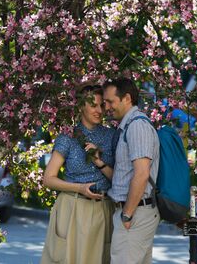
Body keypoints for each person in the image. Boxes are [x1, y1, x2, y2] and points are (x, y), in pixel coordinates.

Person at [40, 84, 115, 264]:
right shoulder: (68, 137)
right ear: (81, 106)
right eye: (93, 105)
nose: (99, 110)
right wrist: (80, 188)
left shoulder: (112, 136)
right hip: (72, 207)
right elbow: (48, 179)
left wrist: (100, 162)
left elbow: (118, 179)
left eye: (102, 105)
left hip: (103, 208)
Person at [103, 78, 160, 264]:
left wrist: (127, 214)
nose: (106, 107)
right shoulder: (128, 126)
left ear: (127, 98)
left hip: (135, 213)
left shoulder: (137, 126)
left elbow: (142, 174)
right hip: (136, 212)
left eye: (110, 101)